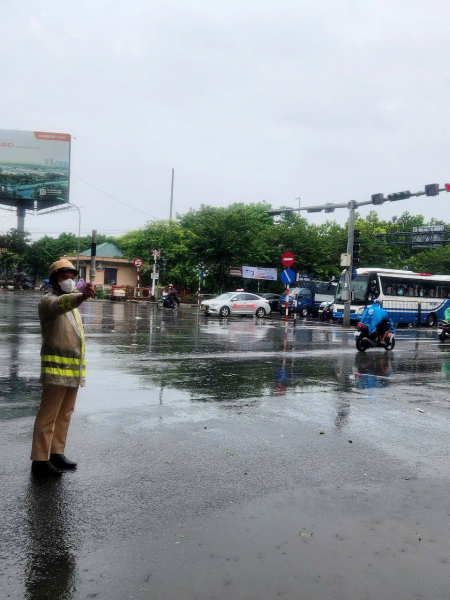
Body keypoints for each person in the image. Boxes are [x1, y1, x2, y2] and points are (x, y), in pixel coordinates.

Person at [30, 260, 95, 477]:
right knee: (48, 415)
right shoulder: (48, 302)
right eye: (63, 276)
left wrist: (79, 298)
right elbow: (61, 304)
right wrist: (81, 296)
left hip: (72, 372)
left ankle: (56, 452)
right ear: (53, 280)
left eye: (71, 276)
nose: (68, 280)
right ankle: (40, 460)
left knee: (64, 414)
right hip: (55, 370)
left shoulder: (72, 306)